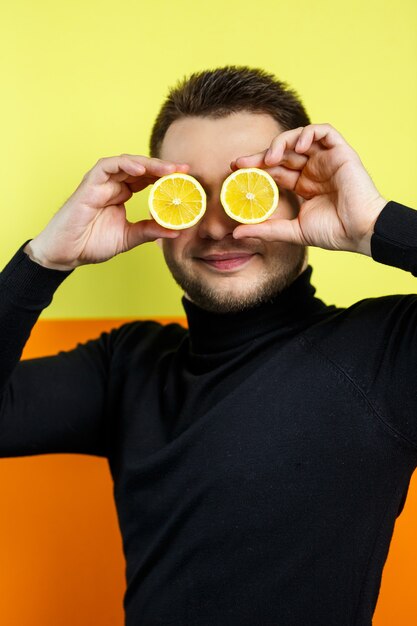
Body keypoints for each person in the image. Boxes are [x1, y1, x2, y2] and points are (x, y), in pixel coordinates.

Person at [1, 64, 416, 626]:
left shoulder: (384, 353)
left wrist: (376, 224)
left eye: (251, 192)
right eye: (190, 195)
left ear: (300, 197)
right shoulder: (128, 366)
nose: (218, 225)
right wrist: (42, 262)